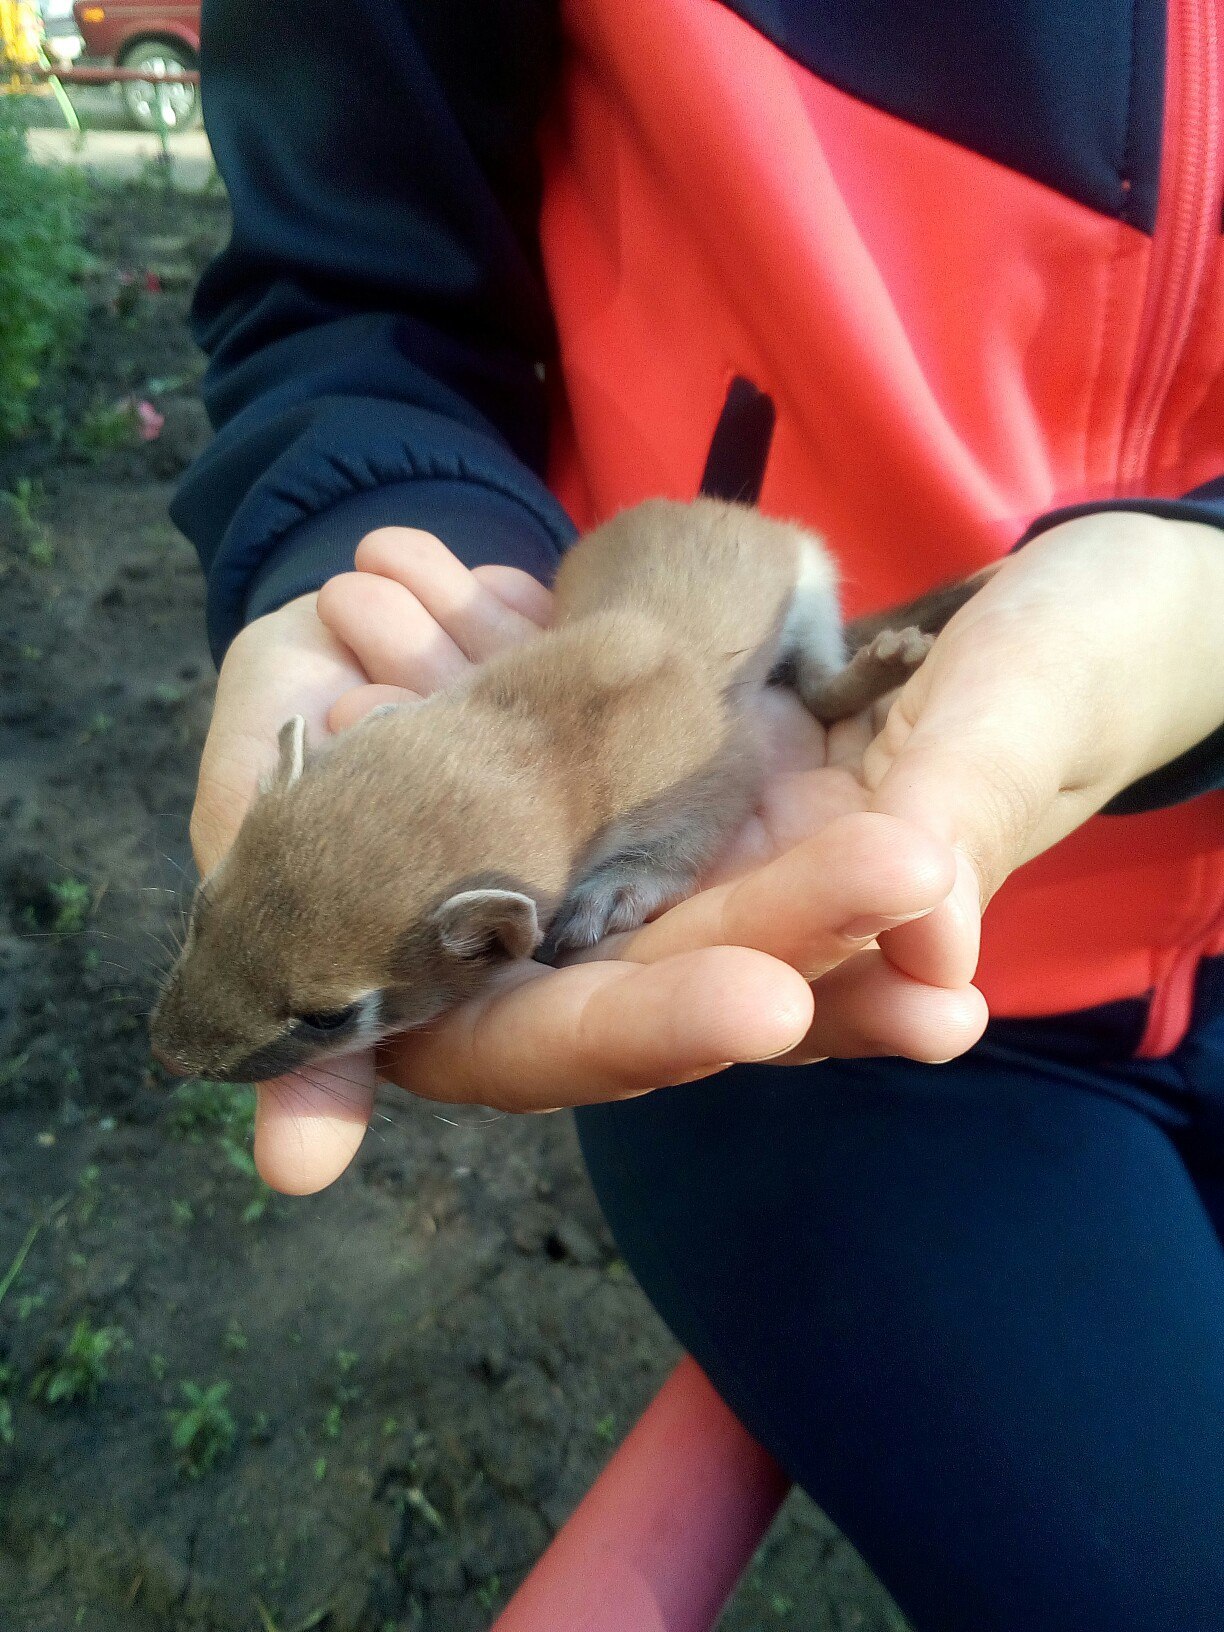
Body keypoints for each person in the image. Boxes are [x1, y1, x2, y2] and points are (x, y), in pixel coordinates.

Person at [172, 5, 1224, 1627]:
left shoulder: (610, 807)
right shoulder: (512, 806)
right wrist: (373, 521)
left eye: (323, 1008)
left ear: (488, 937)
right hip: (853, 1038)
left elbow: (696, 755)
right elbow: (344, 278)